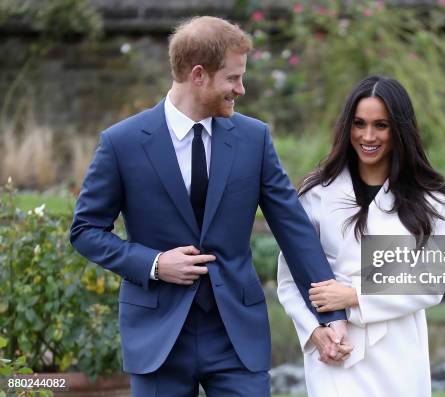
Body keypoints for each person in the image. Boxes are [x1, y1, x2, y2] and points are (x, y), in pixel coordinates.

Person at [70, 16, 349, 397]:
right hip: (158, 337)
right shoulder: (122, 142)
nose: (242, 88)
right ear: (198, 75)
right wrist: (153, 264)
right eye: (233, 78)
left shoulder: (254, 139)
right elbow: (85, 230)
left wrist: (330, 314)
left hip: (236, 334)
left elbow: (293, 229)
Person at [277, 75, 445, 397]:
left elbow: (432, 282)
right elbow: (290, 279)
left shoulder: (431, 198)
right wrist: (314, 331)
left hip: (398, 353)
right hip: (335, 352)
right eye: (359, 124)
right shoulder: (316, 193)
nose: (367, 136)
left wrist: (354, 296)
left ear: (400, 130)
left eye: (380, 125)